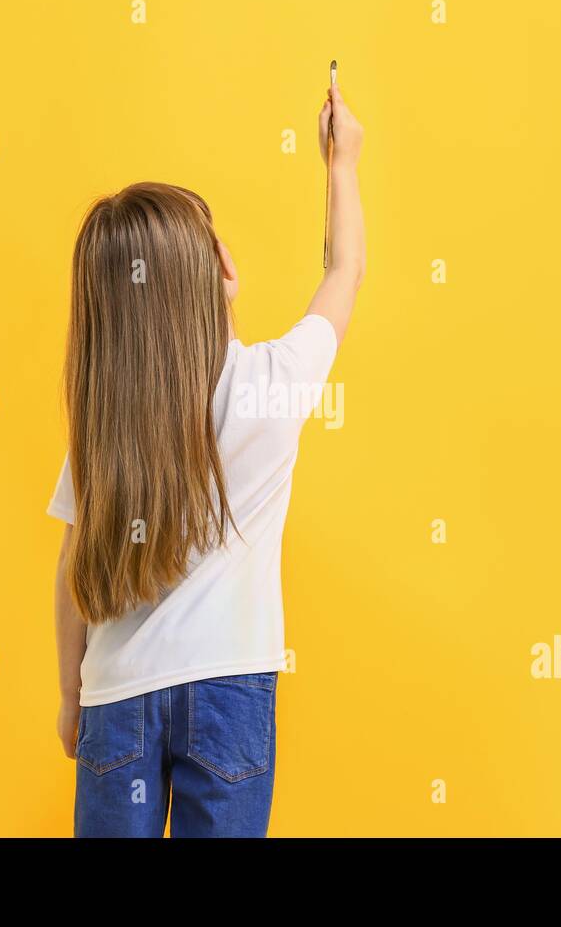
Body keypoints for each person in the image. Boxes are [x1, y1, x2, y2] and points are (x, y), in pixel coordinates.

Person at [49, 84, 365, 837]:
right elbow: (344, 273)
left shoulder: (108, 418)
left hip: (115, 700)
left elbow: (70, 569)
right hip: (230, 694)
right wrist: (341, 161)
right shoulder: (269, 385)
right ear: (217, 268)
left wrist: (70, 695)